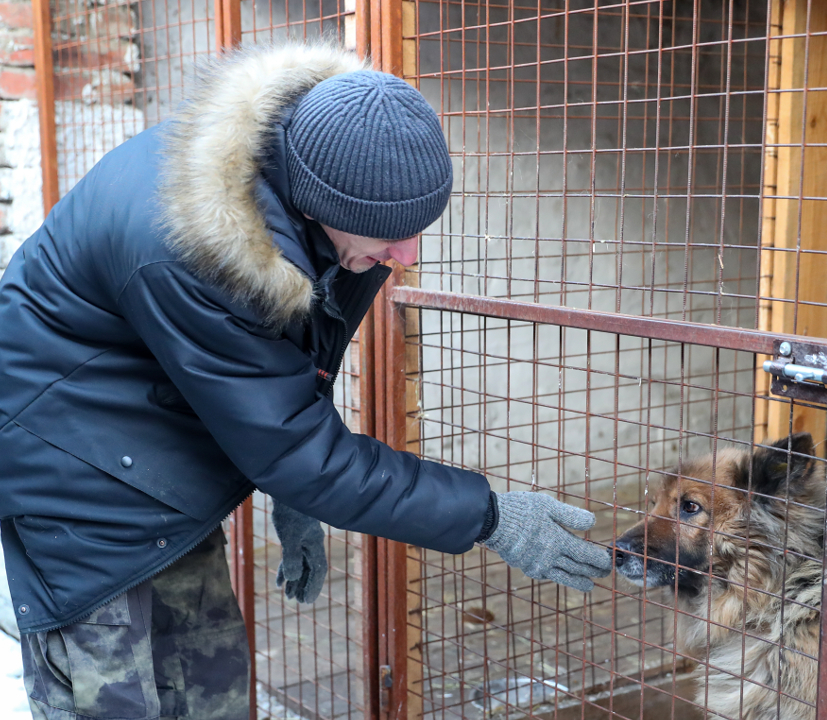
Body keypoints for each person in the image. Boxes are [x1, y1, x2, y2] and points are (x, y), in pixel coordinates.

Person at [0, 41, 611, 720]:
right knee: (110, 701)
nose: (404, 256)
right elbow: (294, 446)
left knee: (213, 690)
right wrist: (489, 516)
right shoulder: (195, 247)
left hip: (157, 451)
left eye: (413, 231)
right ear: (320, 199)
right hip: (67, 466)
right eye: (389, 237)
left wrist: (295, 497)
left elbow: (292, 374)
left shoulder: (345, 197)